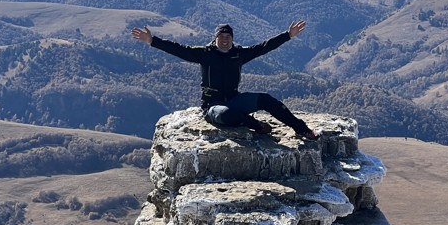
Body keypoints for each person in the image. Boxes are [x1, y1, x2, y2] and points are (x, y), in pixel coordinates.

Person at [131, 21, 319, 139]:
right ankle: (256, 125)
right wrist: (152, 41)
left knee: (267, 100)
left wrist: (287, 36)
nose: (225, 39)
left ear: (232, 39)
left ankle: (302, 129)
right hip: (213, 105)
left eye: (228, 36)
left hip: (235, 99)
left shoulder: (239, 54)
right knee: (224, 115)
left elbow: (264, 47)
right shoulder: (205, 54)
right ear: (215, 39)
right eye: (221, 36)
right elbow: (179, 49)